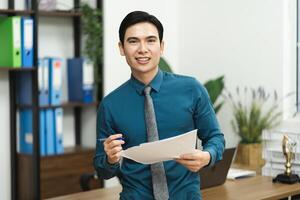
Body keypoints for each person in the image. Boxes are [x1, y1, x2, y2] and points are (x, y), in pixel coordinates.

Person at [94, 11, 225, 200]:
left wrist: (207, 155)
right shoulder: (110, 105)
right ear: (121, 48)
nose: (142, 49)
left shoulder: (191, 89)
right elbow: (102, 170)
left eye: (150, 40)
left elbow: (215, 138)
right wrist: (110, 159)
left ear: (161, 47)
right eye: (133, 41)